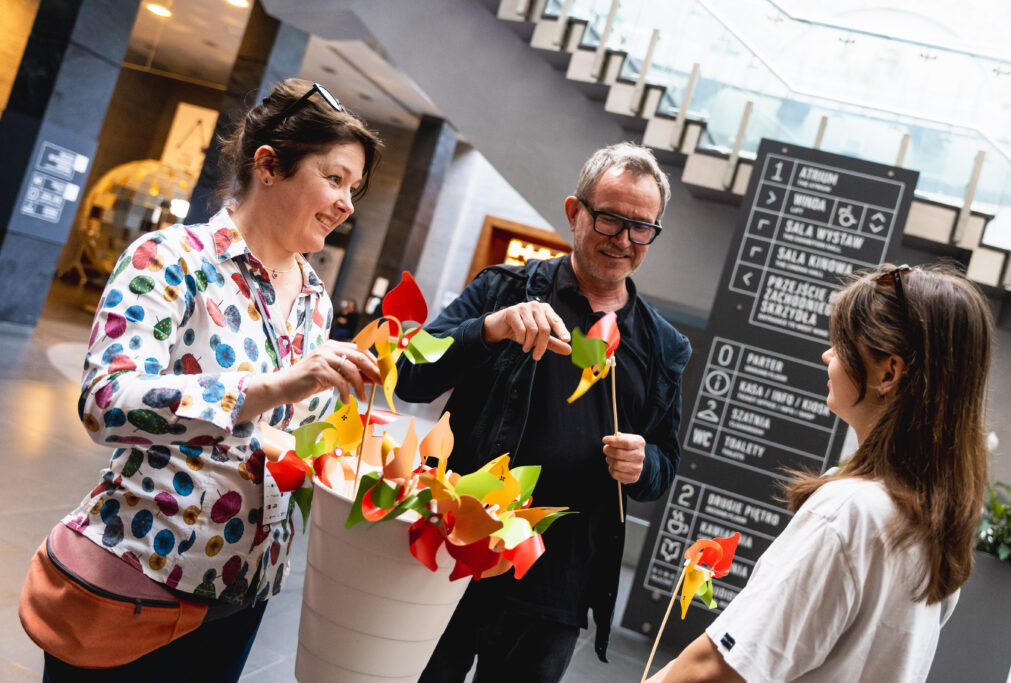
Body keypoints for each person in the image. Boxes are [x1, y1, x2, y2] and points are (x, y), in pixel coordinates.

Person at [25, 79, 384, 681]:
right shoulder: (168, 259)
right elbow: (104, 401)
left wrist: (362, 463)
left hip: (246, 586)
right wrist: (266, 388)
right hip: (140, 572)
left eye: (355, 188)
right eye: (335, 178)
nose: (348, 203)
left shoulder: (316, 302)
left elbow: (298, 440)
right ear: (268, 165)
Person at [396, 142, 692, 681]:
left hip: (559, 578)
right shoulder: (503, 289)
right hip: (460, 546)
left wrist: (642, 465)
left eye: (641, 227)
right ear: (575, 212)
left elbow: (663, 466)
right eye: (609, 218)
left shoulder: (663, 345)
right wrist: (489, 328)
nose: (623, 240)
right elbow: (412, 374)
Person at [647, 263, 992, 682]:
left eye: (841, 344)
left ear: (888, 373)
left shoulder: (850, 511)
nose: (827, 355)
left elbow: (718, 670)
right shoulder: (934, 521)